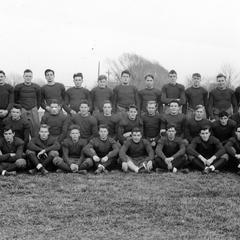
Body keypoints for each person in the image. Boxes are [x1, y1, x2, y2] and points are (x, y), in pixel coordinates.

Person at [14, 69, 41, 137]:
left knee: (35, 128)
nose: (28, 78)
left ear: (32, 77)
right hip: (23, 109)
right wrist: (20, 108)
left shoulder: (37, 87)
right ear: (23, 76)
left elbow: (39, 99)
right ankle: (23, 145)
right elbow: (15, 99)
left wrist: (36, 108)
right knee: (22, 127)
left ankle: (34, 145)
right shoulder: (18, 87)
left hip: (33, 109)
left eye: (29, 76)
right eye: (26, 76)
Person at [0, 70, 14, 136]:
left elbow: (11, 102)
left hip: (7, 113)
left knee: (6, 132)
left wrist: (7, 111)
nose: (0, 78)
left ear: (4, 77)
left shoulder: (10, 87)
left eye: (1, 76)